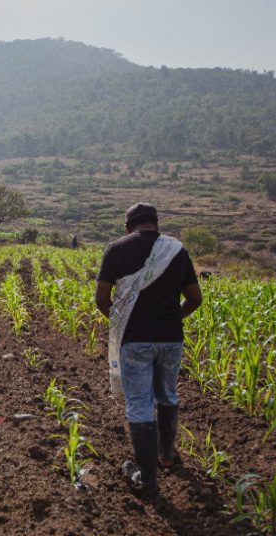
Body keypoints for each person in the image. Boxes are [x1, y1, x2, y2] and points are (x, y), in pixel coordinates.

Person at [95, 203, 202, 499]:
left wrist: (122, 323)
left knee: (140, 403)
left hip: (135, 340)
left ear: (129, 227)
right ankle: (167, 455)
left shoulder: (116, 249)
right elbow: (195, 298)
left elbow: (101, 298)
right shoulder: (176, 250)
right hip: (171, 339)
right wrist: (171, 319)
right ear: (156, 224)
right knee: (167, 394)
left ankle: (148, 480)